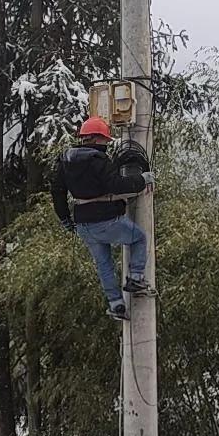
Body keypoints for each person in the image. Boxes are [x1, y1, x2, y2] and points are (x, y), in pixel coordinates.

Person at [51, 117, 153, 319]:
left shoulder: (65, 160)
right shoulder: (99, 161)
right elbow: (115, 185)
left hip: (82, 224)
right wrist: (141, 180)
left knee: (104, 264)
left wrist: (65, 219)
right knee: (139, 237)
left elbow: (57, 192)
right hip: (106, 220)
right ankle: (135, 278)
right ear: (98, 139)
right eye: (106, 140)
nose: (107, 144)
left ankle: (116, 304)